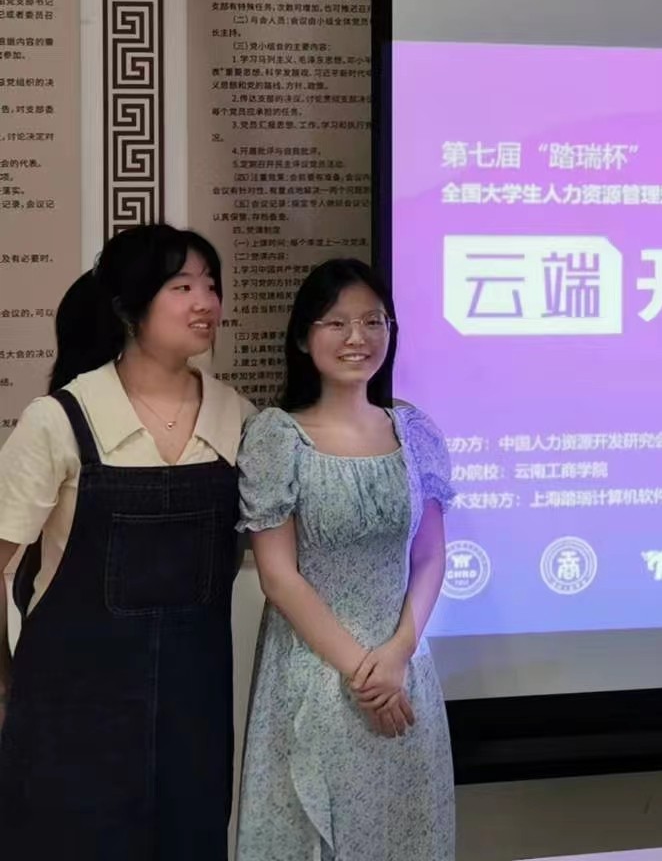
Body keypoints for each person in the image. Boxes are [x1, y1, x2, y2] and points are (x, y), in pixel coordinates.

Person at [0, 223, 253, 859]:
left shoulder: (239, 418)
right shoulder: (61, 418)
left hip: (193, 717)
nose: (206, 302)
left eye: (212, 285)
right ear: (128, 307)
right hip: (68, 712)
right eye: (182, 287)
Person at [236, 258, 455, 861]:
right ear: (303, 337)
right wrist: (365, 673)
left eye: (373, 321)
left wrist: (398, 653)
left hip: (403, 673)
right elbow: (279, 578)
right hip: (314, 672)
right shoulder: (277, 436)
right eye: (336, 323)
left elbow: (431, 556)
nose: (357, 337)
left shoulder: (415, 431)